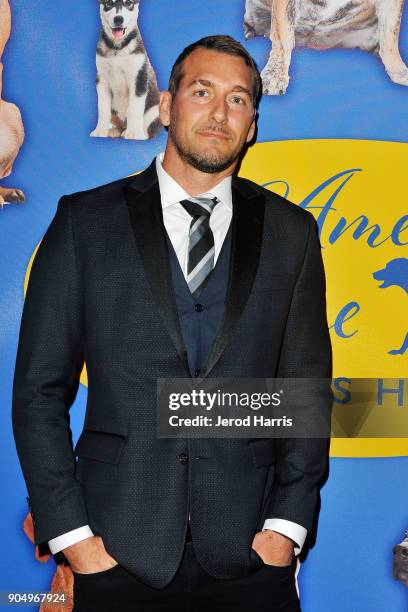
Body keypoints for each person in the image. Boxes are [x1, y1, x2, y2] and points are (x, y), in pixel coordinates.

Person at [12, 34, 332, 611]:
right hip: (114, 552)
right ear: (167, 104)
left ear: (253, 124)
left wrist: (286, 528)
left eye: (238, 100)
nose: (219, 112)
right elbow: (39, 393)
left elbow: (304, 391)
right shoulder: (85, 223)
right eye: (202, 91)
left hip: (250, 557)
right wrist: (73, 540)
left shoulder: (292, 233)